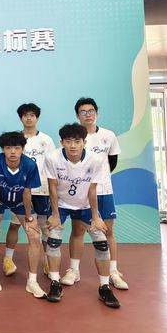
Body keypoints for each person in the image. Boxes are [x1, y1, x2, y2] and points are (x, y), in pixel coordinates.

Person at [44, 123, 120, 308]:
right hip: (61, 204)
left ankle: (104, 287)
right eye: (68, 141)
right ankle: (55, 283)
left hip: (85, 205)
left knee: (102, 243)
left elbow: (92, 189)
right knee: (53, 239)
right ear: (61, 142)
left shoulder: (96, 160)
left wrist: (95, 216)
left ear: (84, 143)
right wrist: (55, 214)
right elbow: (52, 187)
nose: (73, 145)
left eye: (77, 141)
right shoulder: (52, 158)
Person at [60, 98, 128, 290]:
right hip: (80, 192)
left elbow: (112, 162)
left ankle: (113, 271)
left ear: (96, 113)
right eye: (83, 112)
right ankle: (74, 270)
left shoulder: (108, 136)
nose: (88, 114)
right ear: (77, 115)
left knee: (108, 231)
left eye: (91, 111)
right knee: (78, 230)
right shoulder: (74, 138)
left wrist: (99, 180)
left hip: (104, 190)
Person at [0, 131, 46, 299]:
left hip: (20, 201)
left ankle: (32, 281)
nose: (12, 152)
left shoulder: (29, 165)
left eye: (17, 148)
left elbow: (27, 192)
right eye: (8, 148)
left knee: (34, 236)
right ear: (2, 149)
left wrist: (29, 217)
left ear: (23, 149)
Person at [4, 103, 55, 276]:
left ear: (37, 118)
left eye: (32, 115)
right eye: (25, 115)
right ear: (21, 118)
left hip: (42, 191)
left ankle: (48, 262)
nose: (28, 118)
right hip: (20, 190)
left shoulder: (46, 140)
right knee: (15, 225)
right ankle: (7, 260)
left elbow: (52, 166)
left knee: (45, 227)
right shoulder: (15, 140)